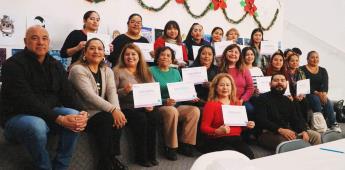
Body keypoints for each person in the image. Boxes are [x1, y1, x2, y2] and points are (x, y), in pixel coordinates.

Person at [0, 25, 88, 170]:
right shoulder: (12, 65)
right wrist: (58, 118)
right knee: (37, 125)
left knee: (75, 115)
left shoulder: (56, 65)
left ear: (48, 42)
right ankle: (44, 166)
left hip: (47, 115)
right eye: (34, 38)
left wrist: (82, 111)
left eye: (44, 38)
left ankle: (61, 166)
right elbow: (27, 101)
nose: (40, 42)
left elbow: (68, 93)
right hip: (16, 119)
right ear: (25, 41)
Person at [68, 38, 128, 170]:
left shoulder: (107, 71)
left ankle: (110, 159)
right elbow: (89, 96)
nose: (96, 51)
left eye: (100, 49)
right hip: (83, 113)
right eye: (92, 48)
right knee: (107, 118)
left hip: (100, 111)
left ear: (104, 53)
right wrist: (113, 110)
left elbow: (112, 93)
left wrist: (117, 110)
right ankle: (107, 162)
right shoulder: (77, 69)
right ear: (85, 52)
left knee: (118, 117)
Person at [113, 44, 160, 167]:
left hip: (144, 106)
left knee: (154, 116)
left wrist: (152, 104)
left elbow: (153, 90)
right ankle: (141, 156)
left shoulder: (145, 70)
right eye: (127, 54)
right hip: (126, 107)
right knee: (141, 119)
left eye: (133, 54)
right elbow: (111, 94)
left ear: (139, 56)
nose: (130, 57)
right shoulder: (117, 71)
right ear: (123, 56)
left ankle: (151, 155)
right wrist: (125, 91)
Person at [150, 47, 200, 161]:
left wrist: (190, 97)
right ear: (157, 58)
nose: (165, 57)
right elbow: (150, 94)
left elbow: (181, 90)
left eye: (168, 56)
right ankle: (170, 147)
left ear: (172, 59)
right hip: (160, 106)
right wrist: (164, 101)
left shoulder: (176, 72)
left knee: (194, 111)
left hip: (177, 105)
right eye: (162, 55)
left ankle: (185, 144)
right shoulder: (150, 70)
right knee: (171, 111)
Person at [255, 73, 321, 150]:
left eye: (282, 80)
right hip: (267, 133)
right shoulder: (262, 98)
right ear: (270, 84)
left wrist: (303, 130)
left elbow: (296, 118)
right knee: (287, 143)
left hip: (287, 130)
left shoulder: (287, 100)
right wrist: (280, 130)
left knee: (315, 136)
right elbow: (261, 120)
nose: (279, 82)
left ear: (286, 84)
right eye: (276, 80)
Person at [200, 73, 255, 159]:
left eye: (228, 85)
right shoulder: (211, 104)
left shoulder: (237, 103)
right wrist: (216, 131)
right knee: (231, 158)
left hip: (237, 139)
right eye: (222, 85)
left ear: (232, 87)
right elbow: (204, 127)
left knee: (249, 157)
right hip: (217, 140)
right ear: (215, 87)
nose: (225, 88)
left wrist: (247, 125)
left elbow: (240, 127)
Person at [300, 51, 341, 132]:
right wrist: (318, 93)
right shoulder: (302, 69)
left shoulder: (323, 70)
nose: (315, 59)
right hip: (307, 93)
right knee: (315, 100)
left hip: (320, 93)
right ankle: (320, 124)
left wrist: (324, 94)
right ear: (307, 59)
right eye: (312, 57)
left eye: (317, 57)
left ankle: (333, 123)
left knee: (328, 101)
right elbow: (304, 85)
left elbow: (325, 84)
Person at [219, 44, 255, 120]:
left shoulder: (244, 69)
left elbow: (251, 88)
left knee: (250, 109)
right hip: (223, 100)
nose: (233, 54)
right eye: (230, 51)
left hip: (241, 100)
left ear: (239, 56)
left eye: (236, 52)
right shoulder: (219, 69)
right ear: (225, 53)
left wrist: (242, 100)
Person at [286, 52, 310, 123]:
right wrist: (293, 96)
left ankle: (305, 124)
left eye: (297, 60)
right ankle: (297, 124)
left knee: (304, 102)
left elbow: (304, 86)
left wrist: (302, 94)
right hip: (289, 94)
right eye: (292, 61)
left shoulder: (301, 72)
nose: (295, 62)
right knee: (295, 103)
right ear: (288, 62)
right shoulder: (285, 72)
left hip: (299, 94)